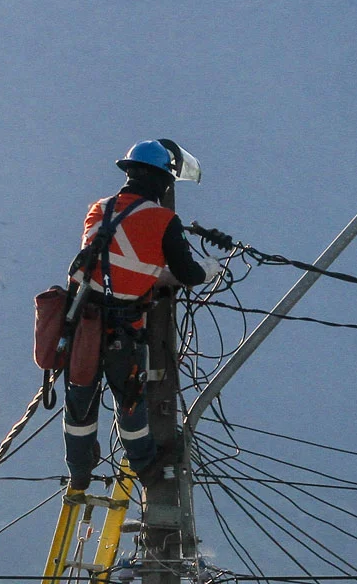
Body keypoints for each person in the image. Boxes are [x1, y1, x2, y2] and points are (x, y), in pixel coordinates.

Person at [63, 139, 219, 493]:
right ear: (163, 181)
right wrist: (210, 269)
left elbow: (109, 264)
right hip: (125, 330)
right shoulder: (164, 220)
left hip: (83, 325)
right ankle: (147, 468)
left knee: (79, 401)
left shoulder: (98, 209)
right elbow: (188, 273)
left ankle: (79, 470)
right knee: (131, 404)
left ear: (129, 173)